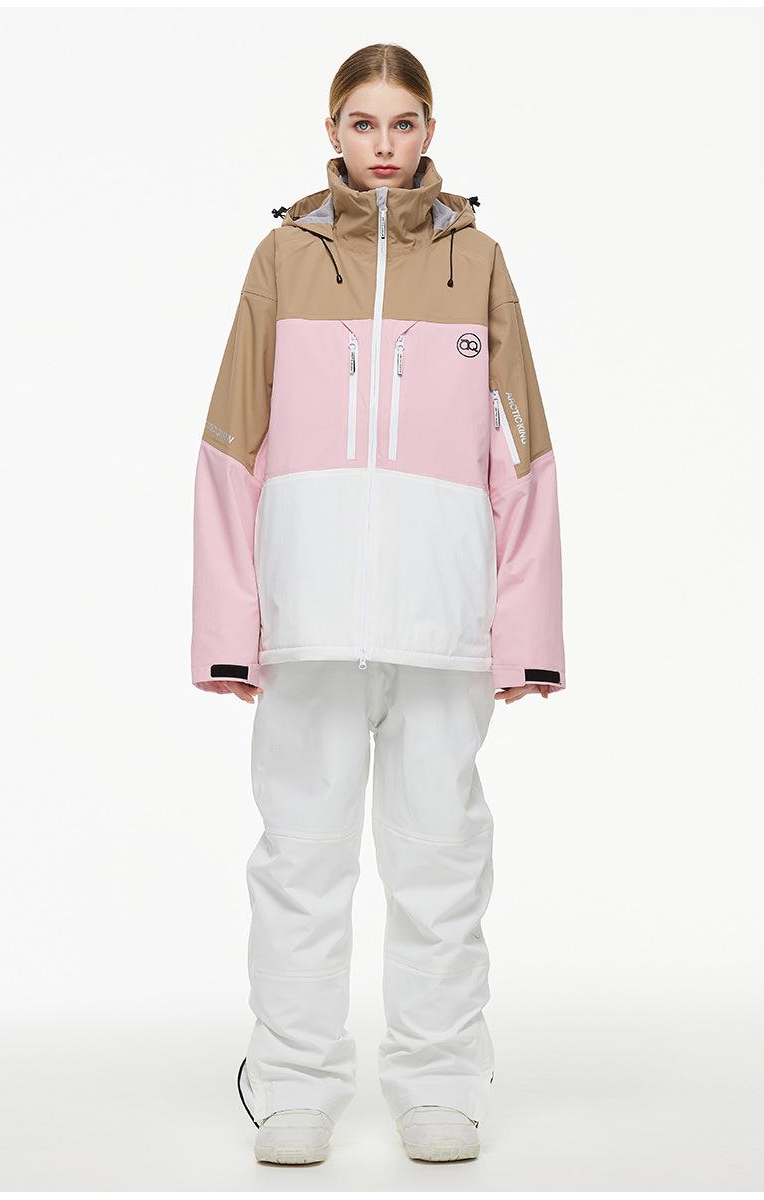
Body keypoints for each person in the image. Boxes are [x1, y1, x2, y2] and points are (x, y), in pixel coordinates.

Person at [190, 42, 566, 1165]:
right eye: (364, 123)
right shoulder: (282, 257)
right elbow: (229, 445)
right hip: (306, 621)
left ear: (430, 131)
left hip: (443, 623)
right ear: (333, 132)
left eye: (404, 124)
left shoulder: (479, 262)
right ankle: (293, 1080)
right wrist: (228, 630)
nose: (385, 145)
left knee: (440, 862)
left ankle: (440, 1079)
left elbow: (522, 452)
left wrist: (526, 636)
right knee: (300, 860)